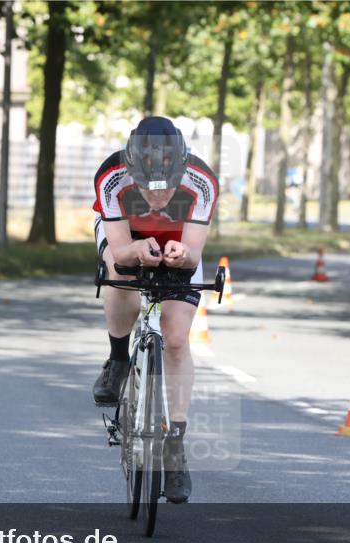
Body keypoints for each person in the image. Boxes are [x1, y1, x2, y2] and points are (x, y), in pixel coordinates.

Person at [90, 115, 218, 504]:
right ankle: (117, 359)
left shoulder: (201, 181)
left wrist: (181, 256)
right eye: (148, 189)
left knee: (177, 339)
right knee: (121, 271)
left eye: (167, 190)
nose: (159, 199)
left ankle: (175, 443)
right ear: (132, 172)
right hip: (127, 235)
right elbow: (120, 247)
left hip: (179, 238)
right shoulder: (112, 176)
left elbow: (193, 250)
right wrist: (136, 250)